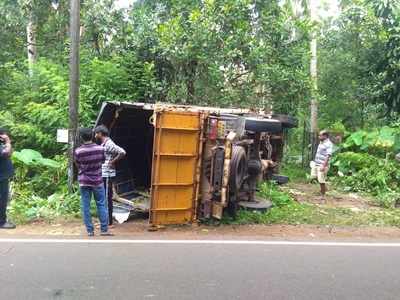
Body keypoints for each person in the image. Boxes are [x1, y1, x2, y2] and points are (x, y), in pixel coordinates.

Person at [74, 128, 112, 236]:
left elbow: (78, 165)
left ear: (81, 137)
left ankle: (90, 231)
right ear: (92, 136)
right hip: (97, 180)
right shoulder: (100, 149)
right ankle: (104, 230)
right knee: (101, 204)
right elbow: (103, 161)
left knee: (86, 205)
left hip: (84, 181)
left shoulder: (78, 151)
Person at [94, 125, 126, 226]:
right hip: (104, 173)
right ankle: (105, 220)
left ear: (100, 133)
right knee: (104, 196)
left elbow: (122, 152)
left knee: (107, 197)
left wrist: (112, 161)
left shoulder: (109, 143)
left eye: (96, 133)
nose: (95, 135)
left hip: (108, 174)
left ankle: (108, 222)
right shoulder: (104, 143)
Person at [0, 128, 16, 229]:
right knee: (2, 199)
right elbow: (6, 153)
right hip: (1, 177)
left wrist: (6, 144)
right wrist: (8, 142)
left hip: (3, 176)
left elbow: (9, 153)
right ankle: (1, 222)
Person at [310, 130, 333, 198]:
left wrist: (323, 165)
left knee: (321, 179)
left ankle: (323, 195)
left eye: (320, 135)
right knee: (314, 176)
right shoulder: (321, 142)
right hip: (317, 163)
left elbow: (328, 155)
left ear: (325, 136)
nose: (319, 136)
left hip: (322, 165)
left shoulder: (329, 144)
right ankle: (324, 188)